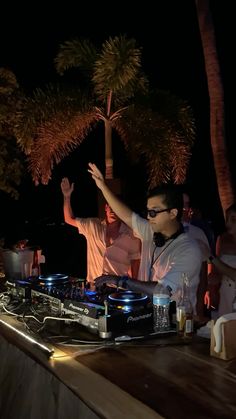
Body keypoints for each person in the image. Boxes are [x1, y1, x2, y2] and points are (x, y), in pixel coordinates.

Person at [87, 163, 203, 312]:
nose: (148, 217)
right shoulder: (150, 231)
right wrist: (103, 187)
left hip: (174, 324)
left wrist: (121, 281)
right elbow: (127, 215)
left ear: (173, 213)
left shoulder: (189, 249)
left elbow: (163, 290)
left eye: (154, 212)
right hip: (146, 315)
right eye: (147, 211)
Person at [61, 177, 141, 284]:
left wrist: (133, 287)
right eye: (111, 206)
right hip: (93, 286)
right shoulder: (93, 225)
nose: (113, 210)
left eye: (116, 207)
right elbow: (69, 219)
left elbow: (135, 262)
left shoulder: (131, 235)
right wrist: (67, 196)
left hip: (117, 290)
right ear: (106, 207)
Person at [205, 203, 236, 316]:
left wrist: (210, 257)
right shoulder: (222, 239)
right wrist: (210, 288)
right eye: (227, 218)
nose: (228, 223)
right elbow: (216, 270)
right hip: (225, 293)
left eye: (233, 219)